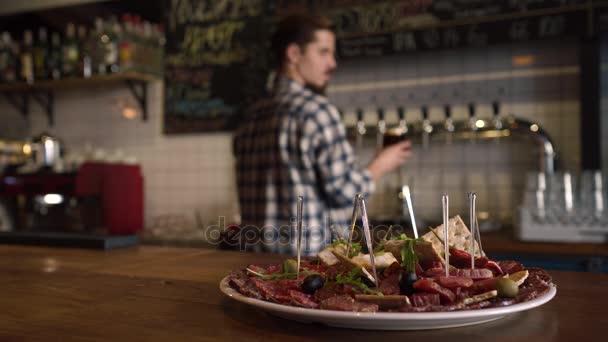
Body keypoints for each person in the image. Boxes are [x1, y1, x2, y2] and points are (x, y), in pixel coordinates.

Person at [233, 12, 412, 255]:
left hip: (254, 265)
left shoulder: (250, 116)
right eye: (323, 52)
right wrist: (380, 164)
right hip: (307, 268)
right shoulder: (316, 111)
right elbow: (345, 194)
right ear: (294, 54)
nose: (332, 63)